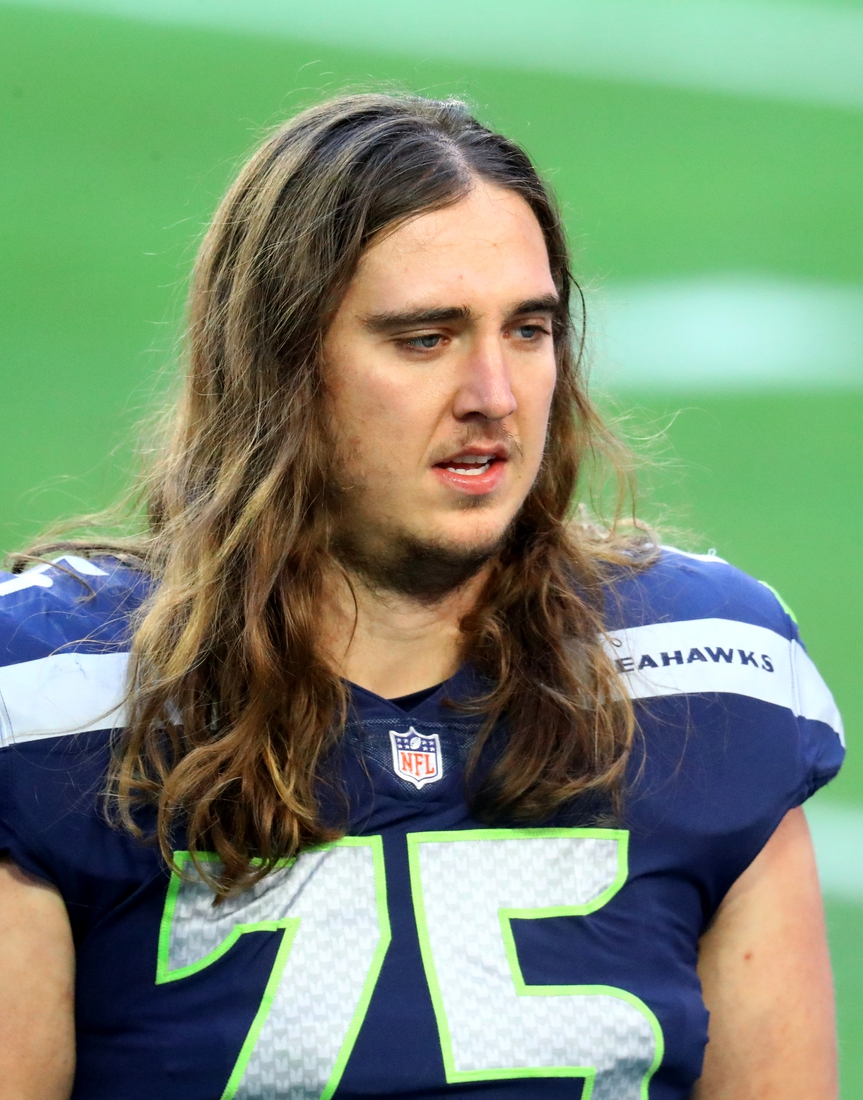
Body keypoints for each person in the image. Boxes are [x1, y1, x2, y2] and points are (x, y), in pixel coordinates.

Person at [0, 94, 844, 1100]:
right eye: (424, 338)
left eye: (527, 329)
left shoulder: (709, 674)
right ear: (279, 368)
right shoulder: (55, 701)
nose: (492, 391)